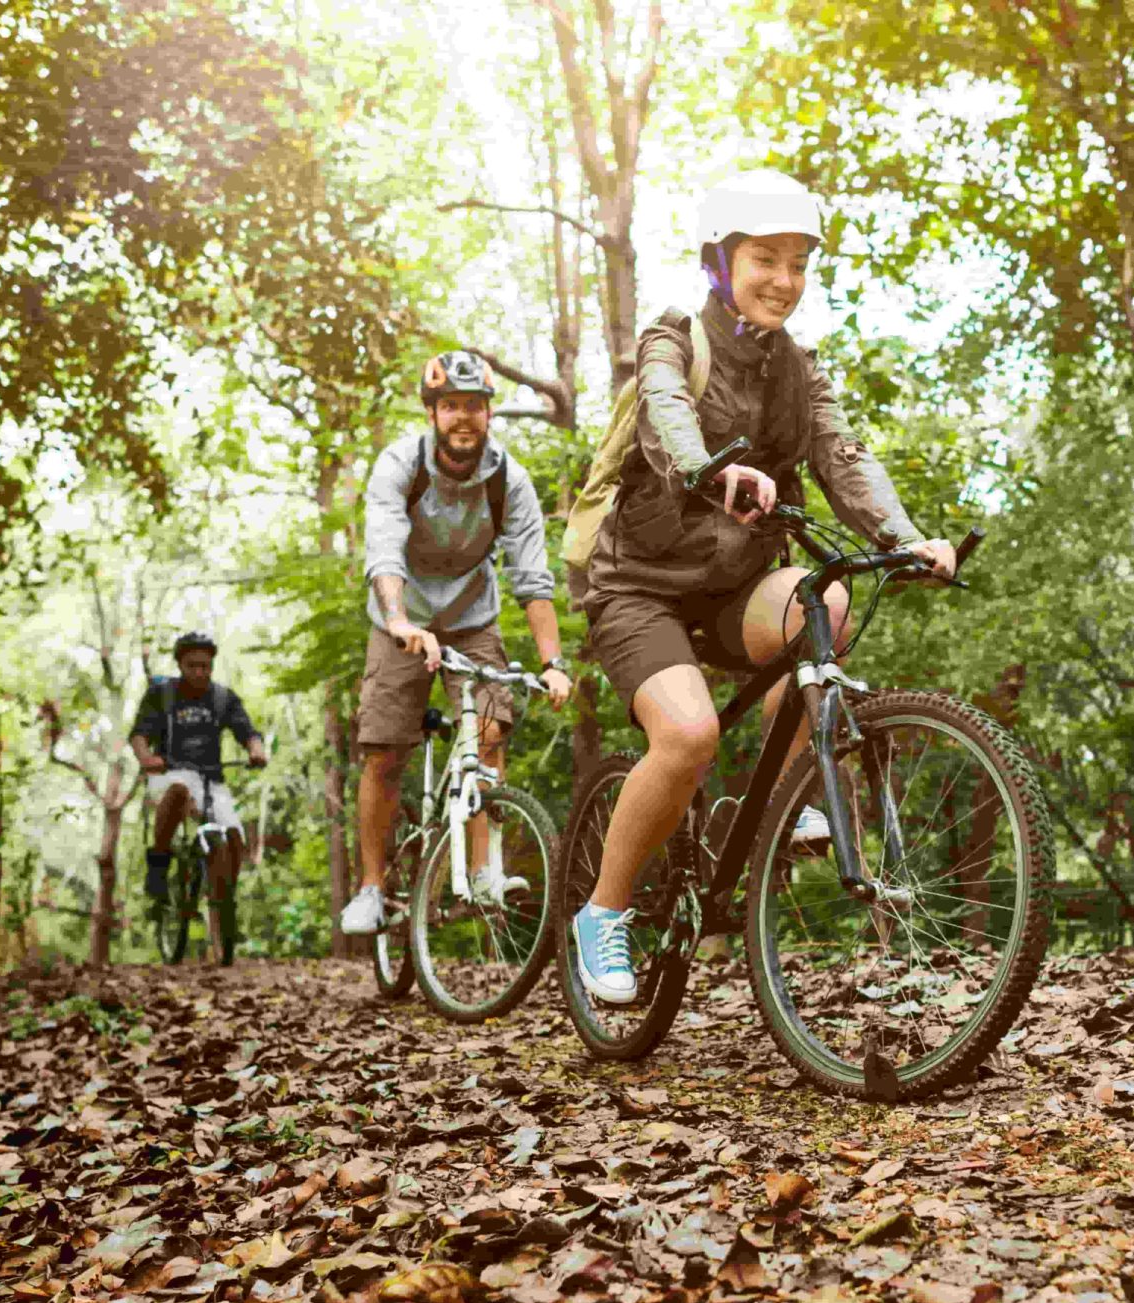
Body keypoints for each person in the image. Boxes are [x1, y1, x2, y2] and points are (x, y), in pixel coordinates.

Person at [568, 170, 958, 1006]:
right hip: (641, 587)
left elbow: (845, 459)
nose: (785, 279)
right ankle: (603, 912)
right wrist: (716, 469)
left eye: (798, 262)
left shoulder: (797, 372)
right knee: (687, 736)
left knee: (835, 599)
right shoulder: (674, 338)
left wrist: (903, 536)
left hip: (735, 589)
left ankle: (780, 805)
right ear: (720, 262)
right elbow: (666, 413)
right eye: (764, 259)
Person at [341, 350, 573, 938]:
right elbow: (384, 550)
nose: (463, 418)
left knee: (492, 730)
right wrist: (398, 620)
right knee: (384, 749)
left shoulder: (508, 480)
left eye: (474, 405)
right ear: (433, 413)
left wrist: (553, 663)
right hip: (402, 616)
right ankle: (371, 887)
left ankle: (483, 870)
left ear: (490, 413)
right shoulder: (400, 464)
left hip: (472, 617)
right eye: (451, 406)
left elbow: (532, 578)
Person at [132, 631, 269, 966]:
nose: (200, 672)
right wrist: (147, 759)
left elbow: (247, 731)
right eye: (193, 666)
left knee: (234, 837)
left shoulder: (222, 698)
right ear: (180, 664)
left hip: (212, 778)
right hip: (170, 774)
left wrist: (255, 750)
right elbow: (139, 735)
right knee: (179, 792)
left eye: (206, 666)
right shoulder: (161, 695)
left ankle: (222, 902)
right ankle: (159, 864)